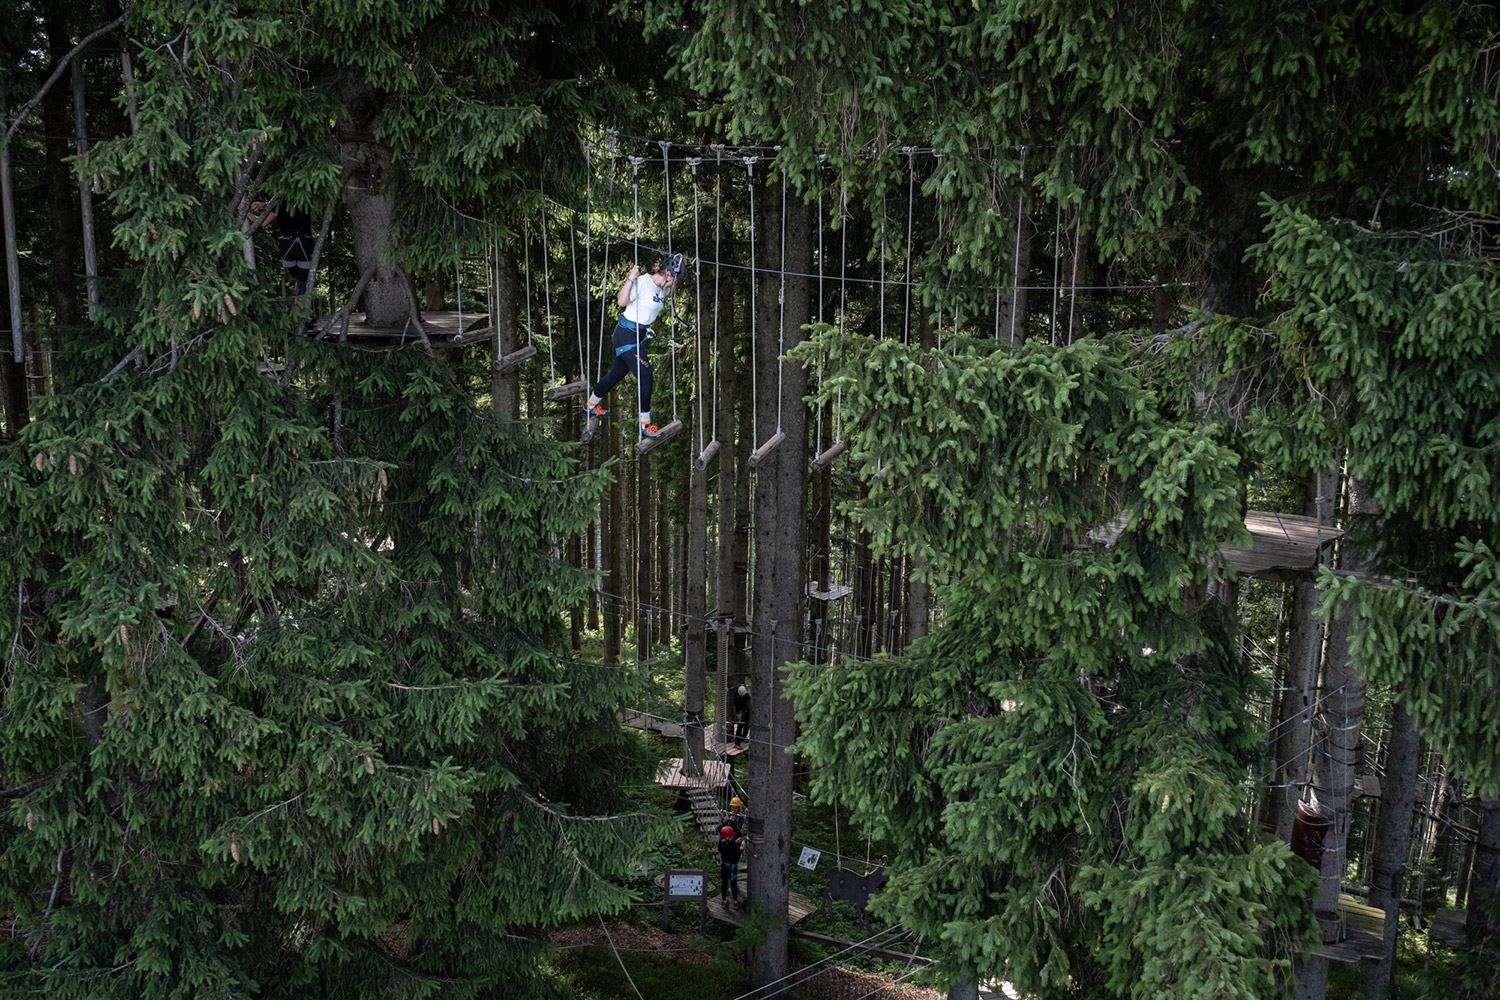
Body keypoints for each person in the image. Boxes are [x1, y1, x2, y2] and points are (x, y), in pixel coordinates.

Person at [583, 253, 685, 440]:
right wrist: (631, 278)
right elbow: (621, 302)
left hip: (637, 337)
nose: (673, 285)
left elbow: (670, 292)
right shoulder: (643, 282)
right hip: (626, 335)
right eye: (673, 280)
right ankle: (645, 425)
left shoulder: (662, 289)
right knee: (646, 376)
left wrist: (684, 270)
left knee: (615, 375)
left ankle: (590, 406)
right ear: (668, 274)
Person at [718, 824, 742, 909]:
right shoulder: (728, 847)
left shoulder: (721, 843)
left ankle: (723, 901)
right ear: (727, 837)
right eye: (731, 836)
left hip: (724, 866)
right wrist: (741, 849)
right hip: (732, 867)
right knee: (733, 883)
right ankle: (735, 901)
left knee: (724, 883)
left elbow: (728, 847)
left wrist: (735, 843)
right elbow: (735, 857)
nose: (733, 837)